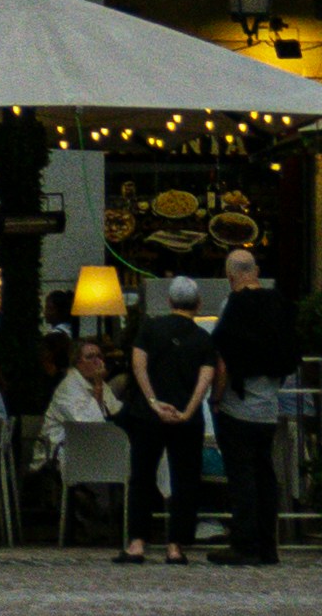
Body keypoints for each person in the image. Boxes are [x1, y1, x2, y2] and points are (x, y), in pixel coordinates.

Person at [207, 243, 295, 570]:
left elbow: (223, 357)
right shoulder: (279, 303)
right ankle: (268, 546)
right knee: (265, 476)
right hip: (268, 407)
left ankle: (244, 544)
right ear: (256, 272)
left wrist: (216, 399)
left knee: (241, 477)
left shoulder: (234, 304)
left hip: (238, 406)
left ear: (231, 277)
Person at [121, 287, 213, 564]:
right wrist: (188, 411)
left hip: (148, 416)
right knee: (185, 479)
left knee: (142, 476)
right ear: (198, 303)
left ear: (169, 300)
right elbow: (205, 378)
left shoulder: (150, 328)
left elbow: (139, 366)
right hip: (186, 419)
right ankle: (175, 546)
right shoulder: (202, 338)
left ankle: (137, 542)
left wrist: (153, 401)